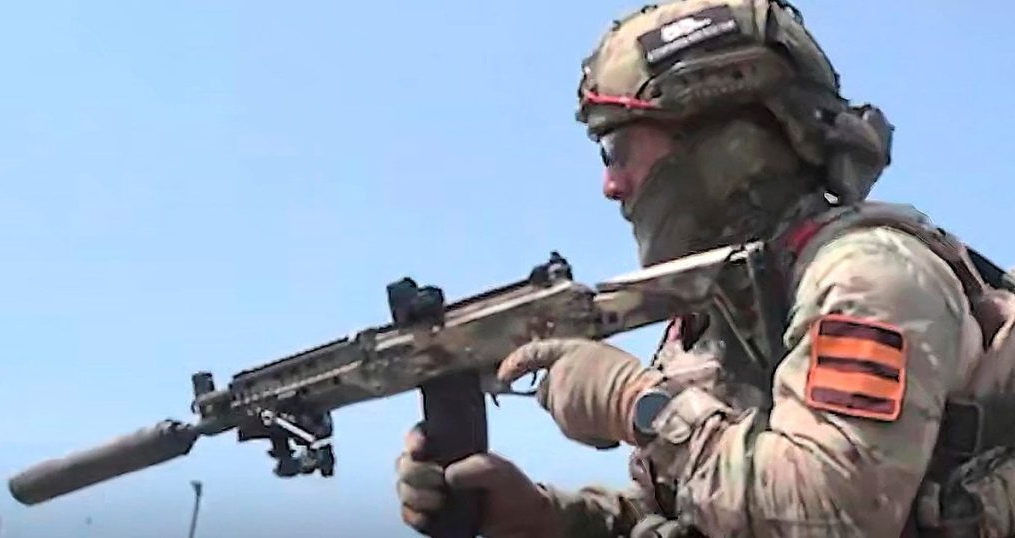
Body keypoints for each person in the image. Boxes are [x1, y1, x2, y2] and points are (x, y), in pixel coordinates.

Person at [395, 1, 1015, 536]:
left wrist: (635, 404)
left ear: (722, 146)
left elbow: (829, 514)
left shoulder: (867, 276)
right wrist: (542, 516)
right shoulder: (724, 310)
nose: (612, 186)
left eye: (619, 150)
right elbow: (703, 506)